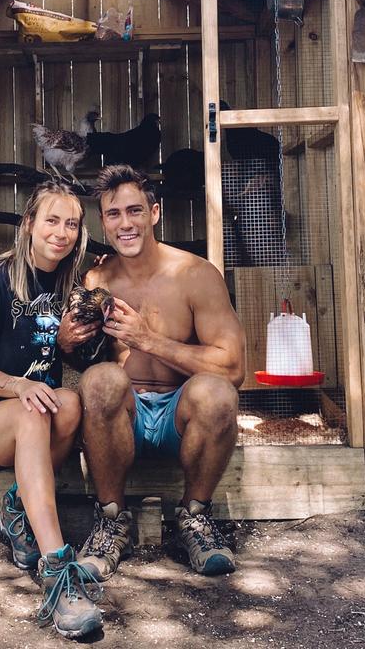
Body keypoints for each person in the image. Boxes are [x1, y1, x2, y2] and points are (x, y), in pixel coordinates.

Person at [76, 164, 246, 581]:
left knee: (218, 394)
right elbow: (80, 361)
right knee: (100, 381)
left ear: (154, 214)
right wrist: (67, 341)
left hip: (181, 418)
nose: (125, 223)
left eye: (135, 211)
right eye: (114, 214)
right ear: (104, 222)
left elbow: (234, 367)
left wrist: (148, 339)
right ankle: (112, 519)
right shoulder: (96, 278)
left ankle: (195, 518)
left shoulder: (195, 274)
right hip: (124, 420)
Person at [0, 181, 103, 638]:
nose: (62, 232)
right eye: (51, 220)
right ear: (29, 224)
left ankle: (16, 509)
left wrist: (64, 345)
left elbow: (52, 355)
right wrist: (20, 385)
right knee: (38, 406)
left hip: (35, 412)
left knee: (71, 404)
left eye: (71, 223)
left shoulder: (68, 285)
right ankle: (57, 569)